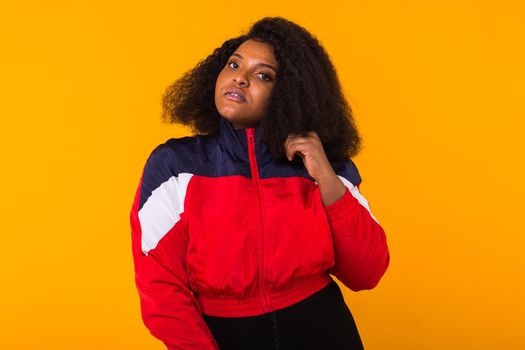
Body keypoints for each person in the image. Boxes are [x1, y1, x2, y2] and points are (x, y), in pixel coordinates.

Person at [130, 16, 390, 350]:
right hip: (225, 335)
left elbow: (367, 272)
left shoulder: (322, 165)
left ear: (289, 94)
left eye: (263, 75)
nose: (240, 77)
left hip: (323, 328)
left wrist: (326, 176)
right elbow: (160, 288)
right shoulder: (174, 166)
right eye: (234, 64)